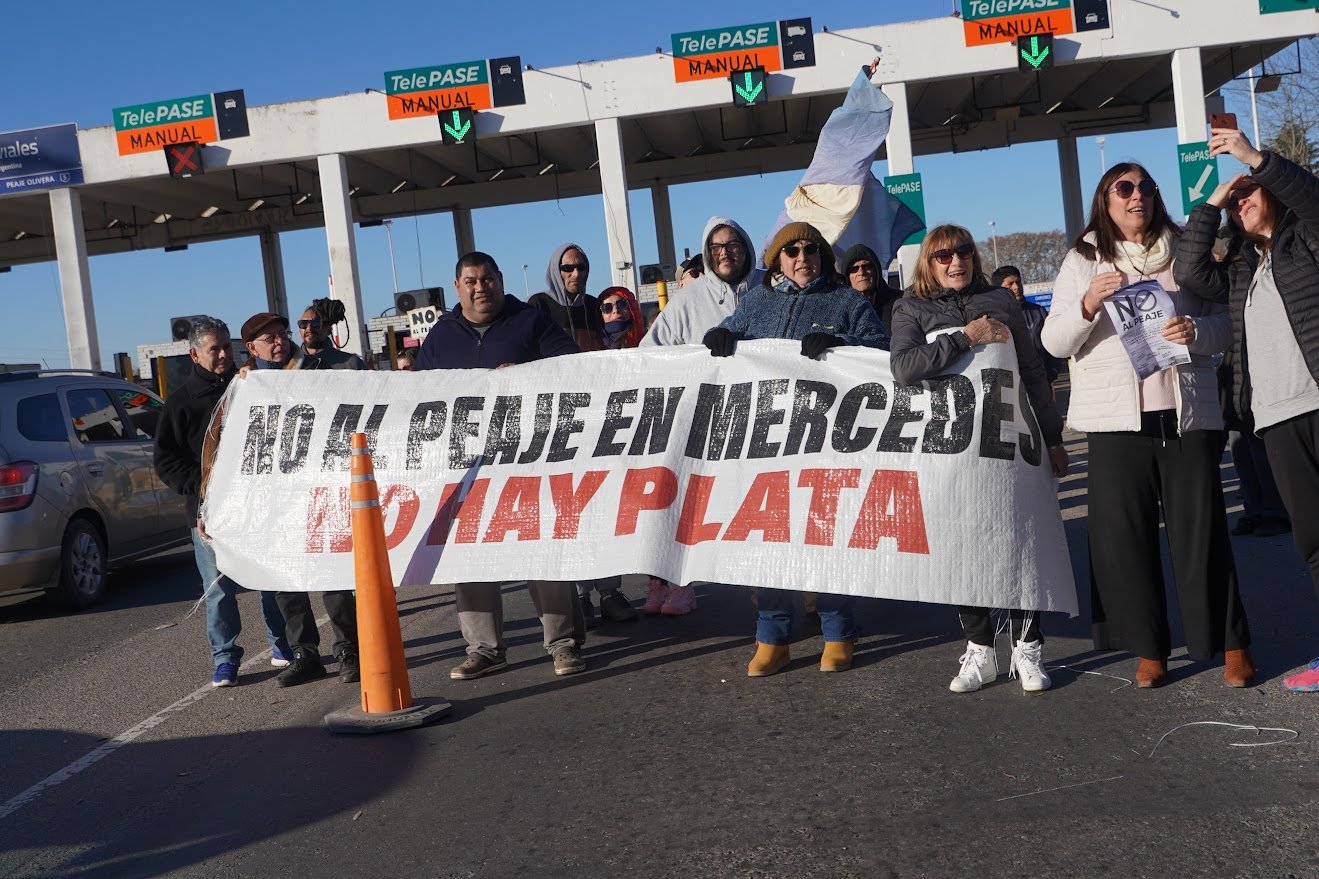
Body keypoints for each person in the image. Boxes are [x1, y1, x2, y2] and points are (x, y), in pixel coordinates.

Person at [1042, 162, 1252, 689]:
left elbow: (1227, 322)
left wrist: (1196, 331)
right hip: (1116, 423)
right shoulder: (1082, 259)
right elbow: (1053, 342)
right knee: (1123, 541)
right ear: (1106, 201)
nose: (1138, 196)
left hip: (1185, 416)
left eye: (1146, 187)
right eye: (1125, 188)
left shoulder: (1186, 252)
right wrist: (1089, 301)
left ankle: (1231, 645)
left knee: (1203, 536)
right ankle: (1149, 647)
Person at [703, 221, 889, 676]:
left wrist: (844, 345)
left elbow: (881, 352)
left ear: (822, 256)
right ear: (777, 261)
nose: (802, 257)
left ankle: (838, 632)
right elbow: (727, 335)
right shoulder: (757, 301)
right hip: (765, 444)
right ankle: (772, 637)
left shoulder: (846, 301)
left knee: (824, 538)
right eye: (792, 251)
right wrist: (720, 339)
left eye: (810, 249)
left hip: (825, 441)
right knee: (770, 543)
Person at [890, 226, 1069, 693]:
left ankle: (1027, 647)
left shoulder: (1002, 301)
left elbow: (1032, 371)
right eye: (944, 255)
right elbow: (904, 368)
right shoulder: (910, 307)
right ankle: (981, 650)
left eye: (964, 252)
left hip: (1010, 443)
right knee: (961, 548)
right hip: (949, 452)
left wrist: (1053, 438)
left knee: (1020, 537)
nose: (956, 262)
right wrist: (965, 337)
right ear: (929, 262)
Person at [1175, 127, 1319, 693]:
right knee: (1312, 540)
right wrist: (1212, 200)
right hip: (1276, 418)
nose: (1243, 201)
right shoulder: (1237, 268)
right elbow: (1189, 271)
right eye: (1237, 200)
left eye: (1249, 192)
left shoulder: (1304, 239)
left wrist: (1255, 159)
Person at [415, 251, 589, 679]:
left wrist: (528, 374)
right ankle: (484, 648)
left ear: (500, 280)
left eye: (488, 279)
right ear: (457, 287)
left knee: (539, 552)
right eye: (471, 281)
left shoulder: (530, 320)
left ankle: (562, 643)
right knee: (469, 556)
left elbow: (574, 368)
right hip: (467, 469)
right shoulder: (441, 336)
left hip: (527, 461)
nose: (480, 287)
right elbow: (418, 393)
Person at [152, 316, 291, 687]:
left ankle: (283, 646)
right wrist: (204, 489)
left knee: (269, 579)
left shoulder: (250, 387)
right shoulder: (180, 404)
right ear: (194, 354)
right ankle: (225, 658)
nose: (224, 354)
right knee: (218, 588)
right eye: (215, 348)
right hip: (207, 514)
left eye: (228, 346)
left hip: (257, 507)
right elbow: (166, 460)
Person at [240, 311, 361, 687]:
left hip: (318, 488)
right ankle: (305, 653)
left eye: (282, 334)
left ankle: (349, 650)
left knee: (333, 575)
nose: (278, 342)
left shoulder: (317, 370)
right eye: (269, 338)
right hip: (274, 497)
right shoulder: (245, 385)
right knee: (284, 578)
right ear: (251, 348)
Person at [641, 217, 760, 348]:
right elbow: (649, 353)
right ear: (707, 254)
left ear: (745, 248)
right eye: (716, 248)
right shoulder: (685, 302)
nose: (724, 253)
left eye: (732, 245)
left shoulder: (771, 285)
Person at [991, 265, 1063, 385]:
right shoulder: (993, 319)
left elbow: (1053, 344)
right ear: (998, 289)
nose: (1016, 287)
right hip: (1011, 387)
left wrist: (1052, 373)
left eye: (1018, 282)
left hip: (1040, 383)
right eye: (1010, 284)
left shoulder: (1039, 312)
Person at [528, 243, 605, 352]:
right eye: (568, 268)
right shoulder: (538, 305)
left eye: (581, 267)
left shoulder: (595, 306)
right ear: (556, 271)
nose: (576, 274)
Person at [843, 243, 901, 328]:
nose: (861, 273)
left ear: (876, 270)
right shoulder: (840, 312)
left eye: (867, 266)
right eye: (854, 269)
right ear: (847, 276)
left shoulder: (899, 302)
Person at [296, 303, 367, 370]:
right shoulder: (289, 365)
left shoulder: (351, 364)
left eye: (316, 323)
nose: (309, 328)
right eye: (303, 324)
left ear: (328, 329)